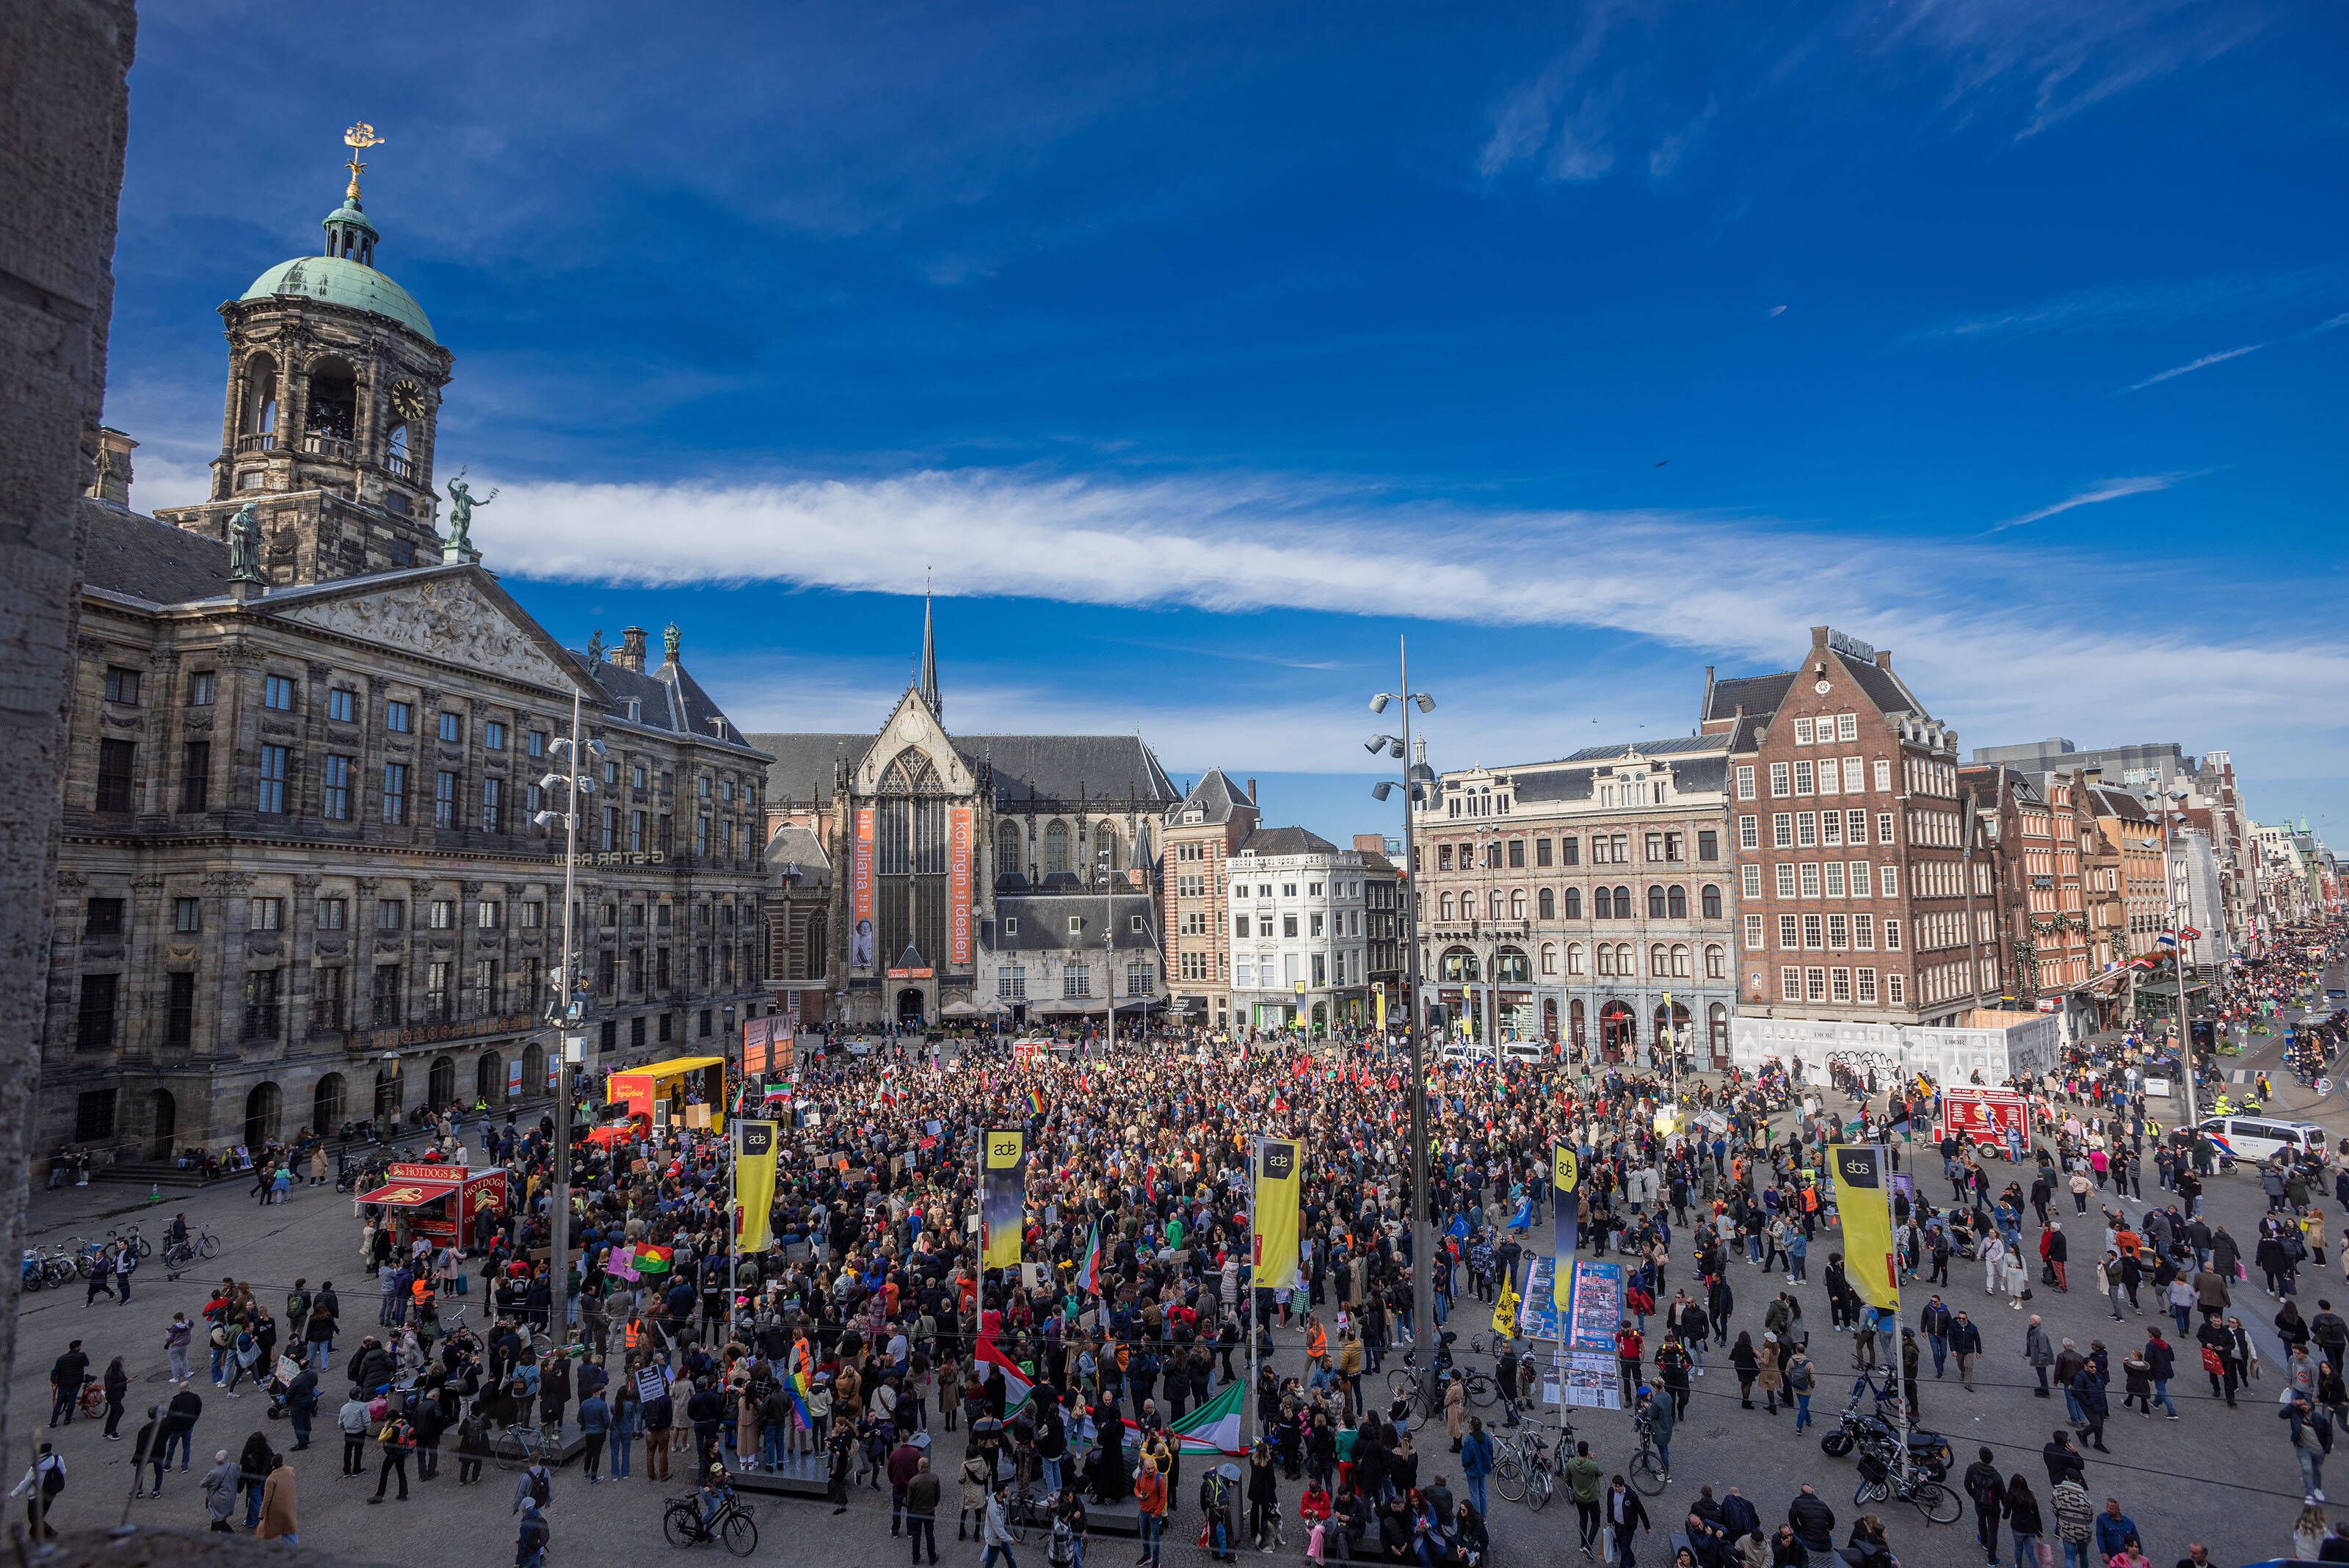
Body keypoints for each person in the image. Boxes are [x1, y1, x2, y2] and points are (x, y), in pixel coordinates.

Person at [1964, 1446, 2007, 1567]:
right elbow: (2004, 1495)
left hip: (1979, 1503)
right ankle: (1991, 1558)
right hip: (1993, 1507)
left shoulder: (1972, 1469)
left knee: (1981, 1520)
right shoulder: (1996, 1476)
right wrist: (2006, 1510)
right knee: (1993, 1531)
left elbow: (1967, 1485)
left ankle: (1983, 1540)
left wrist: (1974, 1496)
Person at [9, 1445, 64, 1539]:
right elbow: (63, 1471)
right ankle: (34, 1535)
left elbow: (25, 1483)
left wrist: (12, 1494)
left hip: (35, 1497)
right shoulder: (58, 1459)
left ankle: (49, 1532)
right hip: (51, 1493)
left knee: (34, 1518)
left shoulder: (34, 1469)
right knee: (39, 1516)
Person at [1565, 1439, 1606, 1558]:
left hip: (1579, 1498)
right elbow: (1600, 1472)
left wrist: (1573, 1487)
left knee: (1583, 1520)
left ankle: (1583, 1543)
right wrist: (1592, 1459)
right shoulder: (1591, 1465)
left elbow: (1566, 1478)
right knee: (1595, 1521)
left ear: (1578, 1452)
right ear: (1587, 1452)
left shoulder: (1571, 1463)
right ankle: (1588, 1546)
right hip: (1592, 1499)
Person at [907, 1453, 943, 1566]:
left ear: (919, 1466)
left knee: (916, 1536)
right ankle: (932, 1557)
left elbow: (909, 1499)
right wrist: (933, 1505)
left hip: (916, 1513)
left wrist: (910, 1508)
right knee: (929, 1534)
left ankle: (915, 1558)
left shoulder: (913, 1481)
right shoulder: (934, 1478)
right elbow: (938, 1496)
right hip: (929, 1511)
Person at [1608, 1473, 1650, 1568]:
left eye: (1617, 1487)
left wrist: (1647, 1526)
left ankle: (1625, 1565)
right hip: (1618, 1526)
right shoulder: (1611, 1491)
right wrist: (1609, 1520)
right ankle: (1632, 1562)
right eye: (1614, 1486)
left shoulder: (1631, 1495)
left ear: (1623, 1486)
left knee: (1624, 1550)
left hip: (1628, 1528)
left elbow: (1641, 1510)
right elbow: (1610, 1506)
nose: (1615, 1489)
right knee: (1625, 1547)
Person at [258, 1451, 297, 1545]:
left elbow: (266, 1499)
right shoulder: (290, 1470)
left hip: (279, 1509)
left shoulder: (271, 1479)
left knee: (285, 1530)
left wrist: (262, 1514)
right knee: (289, 1528)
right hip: (290, 1504)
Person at [1460, 1416, 1495, 1518]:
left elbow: (1466, 1458)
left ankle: (1477, 1516)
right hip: (1483, 1468)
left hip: (1473, 1470)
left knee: (1474, 1494)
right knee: (1482, 1491)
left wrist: (1465, 1465)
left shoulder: (1469, 1440)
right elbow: (1491, 1451)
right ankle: (1483, 1515)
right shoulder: (1486, 1437)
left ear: (1471, 1426)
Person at [48, 1340, 89, 1428]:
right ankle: (68, 1419)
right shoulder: (82, 1356)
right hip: (76, 1382)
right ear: (77, 1347)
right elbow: (87, 1364)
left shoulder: (61, 1359)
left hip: (63, 1383)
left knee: (59, 1402)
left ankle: (53, 1422)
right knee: (72, 1400)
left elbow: (55, 1371)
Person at [201, 1448, 241, 1532]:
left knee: (219, 1521)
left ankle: (234, 1538)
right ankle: (213, 1537)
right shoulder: (234, 1466)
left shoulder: (214, 1473)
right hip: (231, 1496)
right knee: (217, 1519)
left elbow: (202, 1484)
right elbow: (238, 1477)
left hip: (218, 1500)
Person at [515, 1495, 550, 1568]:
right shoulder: (539, 1516)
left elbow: (523, 1545)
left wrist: (518, 1562)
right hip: (537, 1551)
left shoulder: (525, 1525)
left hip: (528, 1555)